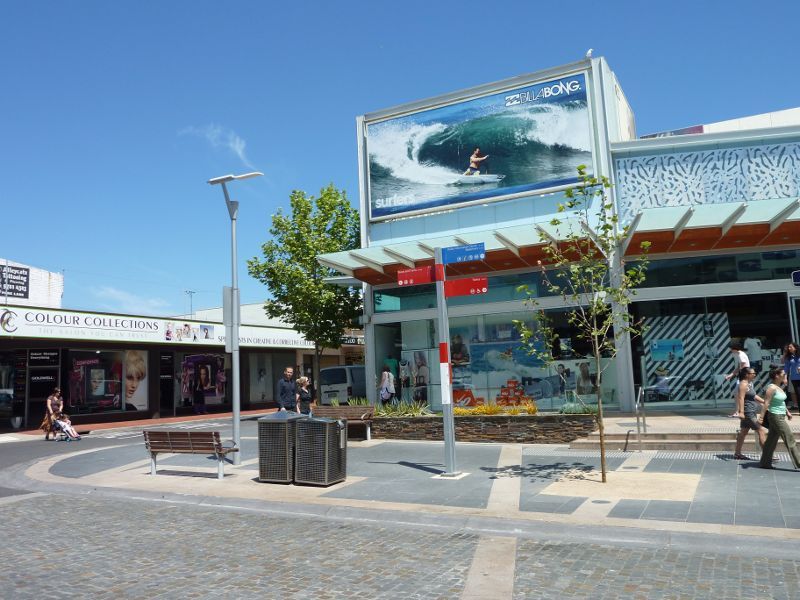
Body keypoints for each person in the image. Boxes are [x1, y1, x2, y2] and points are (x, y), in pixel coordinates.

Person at [759, 367, 800, 469]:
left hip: (780, 415)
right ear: (777, 375)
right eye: (783, 373)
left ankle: (765, 462)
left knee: (771, 441)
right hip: (775, 416)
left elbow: (781, 402)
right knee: (789, 438)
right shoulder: (771, 388)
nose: (785, 374)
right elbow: (766, 403)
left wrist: (787, 412)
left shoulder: (779, 387)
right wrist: (761, 417)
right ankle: (799, 462)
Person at [733, 367, 767, 460]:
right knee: (761, 430)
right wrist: (741, 412)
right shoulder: (743, 384)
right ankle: (767, 455)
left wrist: (764, 402)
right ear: (746, 375)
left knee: (743, 432)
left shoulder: (748, 384)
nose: (754, 374)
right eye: (753, 373)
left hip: (751, 411)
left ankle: (737, 453)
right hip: (748, 412)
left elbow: (754, 396)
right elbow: (741, 398)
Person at [724, 342, 750, 418]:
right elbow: (739, 366)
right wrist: (731, 375)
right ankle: (739, 411)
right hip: (743, 376)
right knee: (739, 394)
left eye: (731, 349)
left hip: (743, 377)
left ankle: (739, 412)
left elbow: (743, 364)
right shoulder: (740, 354)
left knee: (738, 394)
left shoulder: (741, 355)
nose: (730, 350)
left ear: (734, 348)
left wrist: (741, 373)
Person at [783, 342, 800, 412]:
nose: (789, 348)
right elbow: (786, 369)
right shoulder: (789, 357)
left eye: (791, 347)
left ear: (795, 348)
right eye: (788, 347)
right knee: (798, 394)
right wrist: (785, 378)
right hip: (794, 379)